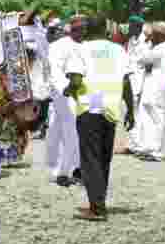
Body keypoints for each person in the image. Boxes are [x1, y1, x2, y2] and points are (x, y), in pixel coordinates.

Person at [64, 17, 127, 221]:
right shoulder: (119, 50)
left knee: (90, 158)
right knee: (103, 157)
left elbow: (76, 78)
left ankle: (97, 208)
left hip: (91, 104)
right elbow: (126, 81)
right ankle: (98, 202)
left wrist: (68, 90)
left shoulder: (81, 49)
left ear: (86, 30)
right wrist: (132, 111)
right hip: (111, 105)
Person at [133, 22, 165, 162]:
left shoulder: (164, 47)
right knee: (148, 117)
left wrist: (145, 43)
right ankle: (148, 147)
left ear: (161, 35)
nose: (152, 37)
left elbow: (142, 59)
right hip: (152, 86)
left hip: (157, 87)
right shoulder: (162, 47)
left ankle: (156, 150)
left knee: (157, 118)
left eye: (154, 34)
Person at [47, 17, 83, 186]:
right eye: (79, 29)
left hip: (82, 95)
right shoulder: (59, 46)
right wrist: (65, 90)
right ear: (72, 30)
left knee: (70, 132)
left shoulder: (86, 46)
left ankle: (75, 168)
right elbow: (55, 72)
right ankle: (63, 172)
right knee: (68, 132)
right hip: (65, 95)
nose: (82, 32)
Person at [124, 15, 151, 153]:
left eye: (131, 25)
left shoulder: (145, 42)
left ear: (138, 26)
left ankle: (136, 144)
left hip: (139, 81)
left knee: (137, 113)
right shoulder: (131, 40)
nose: (129, 27)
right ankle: (132, 143)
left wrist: (142, 85)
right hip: (130, 80)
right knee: (131, 112)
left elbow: (146, 64)